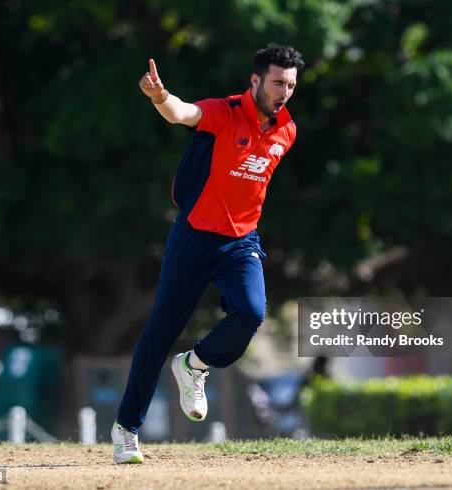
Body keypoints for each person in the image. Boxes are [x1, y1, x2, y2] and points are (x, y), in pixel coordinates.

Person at [111, 43, 304, 463]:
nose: (284, 91)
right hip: (195, 236)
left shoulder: (286, 131)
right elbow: (181, 112)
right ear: (255, 80)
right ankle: (127, 430)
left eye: (290, 84)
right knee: (160, 331)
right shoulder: (225, 111)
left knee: (252, 313)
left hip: (242, 241)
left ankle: (194, 365)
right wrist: (159, 96)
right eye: (276, 83)